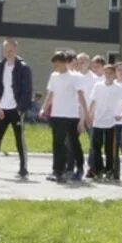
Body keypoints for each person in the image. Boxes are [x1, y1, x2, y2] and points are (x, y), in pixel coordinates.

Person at [0, 39, 32, 180]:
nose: (8, 53)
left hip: (16, 109)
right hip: (2, 108)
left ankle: (23, 168)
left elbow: (27, 91)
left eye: (10, 50)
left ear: (15, 50)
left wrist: (21, 109)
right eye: (5, 50)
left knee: (19, 140)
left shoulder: (23, 67)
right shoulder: (0, 65)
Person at [40, 51, 87, 183]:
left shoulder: (75, 77)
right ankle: (58, 170)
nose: (55, 66)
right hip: (57, 114)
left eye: (57, 63)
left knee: (73, 143)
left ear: (64, 63)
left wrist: (85, 113)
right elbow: (50, 93)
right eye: (54, 63)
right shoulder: (54, 76)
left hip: (71, 115)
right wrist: (44, 107)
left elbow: (80, 95)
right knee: (58, 143)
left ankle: (80, 167)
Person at [88, 63, 122, 181]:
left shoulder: (118, 88)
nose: (108, 75)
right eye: (106, 73)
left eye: (111, 73)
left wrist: (121, 114)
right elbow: (93, 101)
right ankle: (99, 169)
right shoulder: (98, 86)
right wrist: (89, 115)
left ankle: (109, 170)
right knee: (96, 147)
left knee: (109, 148)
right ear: (103, 74)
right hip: (98, 121)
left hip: (111, 122)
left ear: (114, 74)